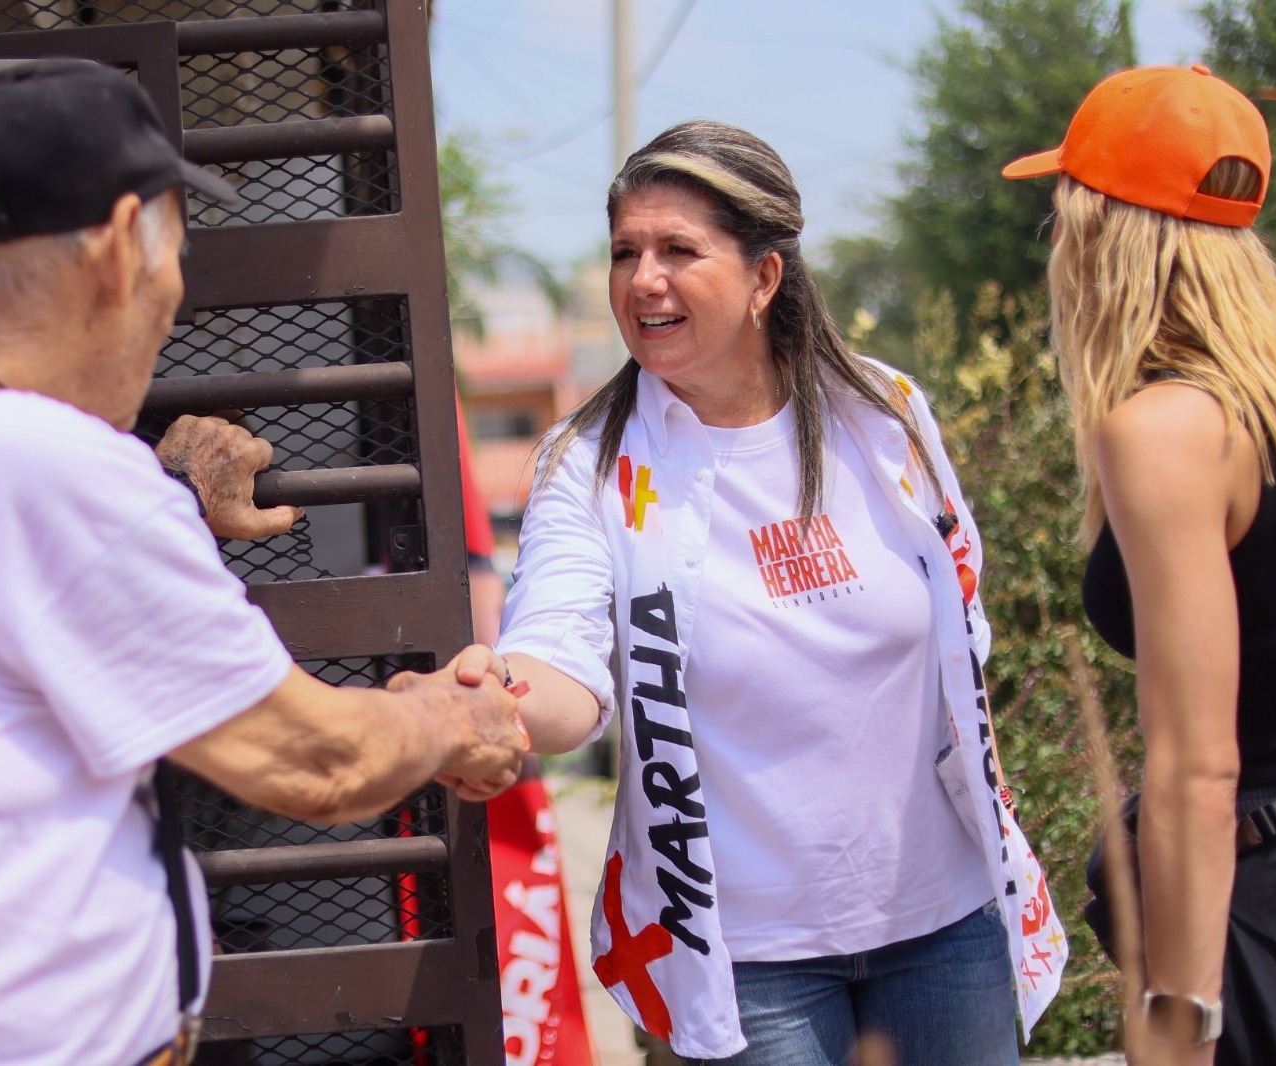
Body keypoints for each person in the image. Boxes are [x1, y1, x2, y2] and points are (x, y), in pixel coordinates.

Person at [0, 60, 525, 1066]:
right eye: (175, 252)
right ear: (116, 246)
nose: (172, 292)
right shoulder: (41, 472)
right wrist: (453, 716)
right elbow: (320, 760)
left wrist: (165, 491)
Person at [451, 120, 1066, 1066]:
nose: (642, 278)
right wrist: (502, 708)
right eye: (625, 252)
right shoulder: (588, 461)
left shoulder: (885, 414)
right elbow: (562, 651)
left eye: (677, 250)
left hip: (948, 924)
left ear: (764, 278)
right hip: (745, 960)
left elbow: (963, 631)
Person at [1004, 64, 1276, 1064]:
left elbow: (1200, 764)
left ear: (1100, 231)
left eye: (1062, 212)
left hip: (1264, 911)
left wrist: (1182, 1016)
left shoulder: (1165, 432)